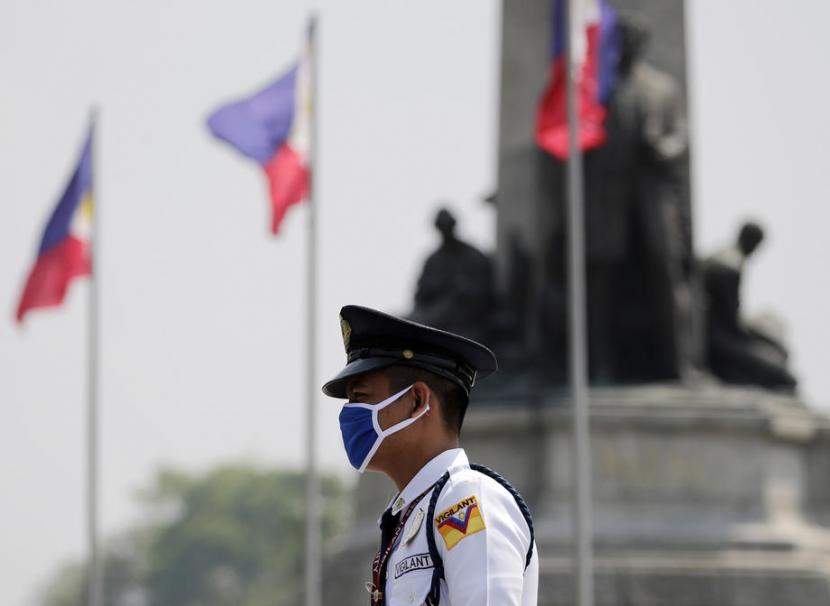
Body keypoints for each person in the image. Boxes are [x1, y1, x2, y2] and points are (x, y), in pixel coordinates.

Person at [322, 305, 539, 605]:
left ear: (417, 401)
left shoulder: (466, 501)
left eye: (360, 398)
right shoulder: (413, 513)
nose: (349, 414)